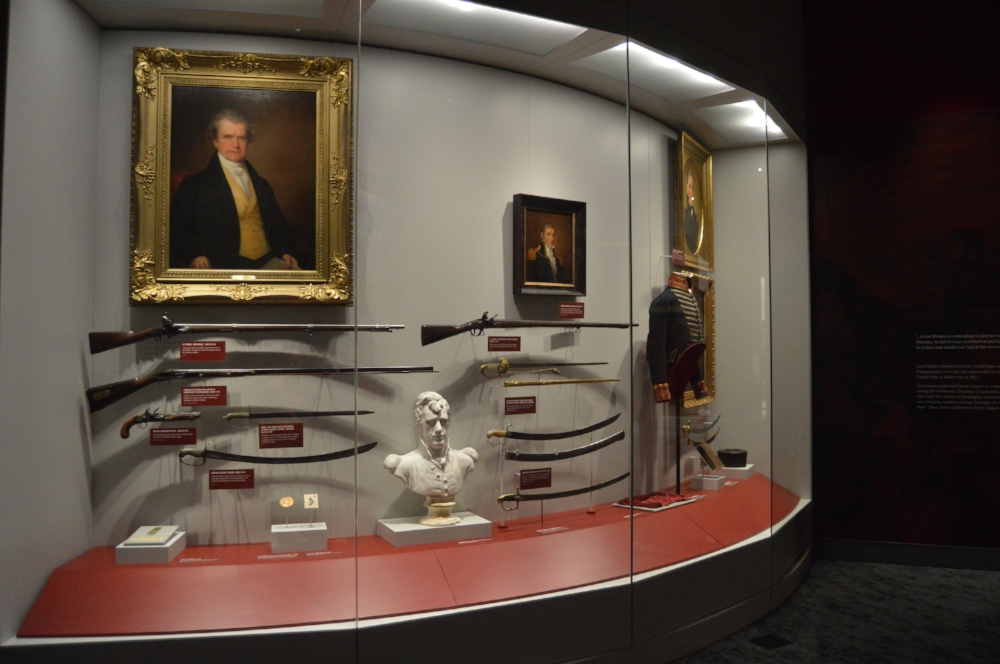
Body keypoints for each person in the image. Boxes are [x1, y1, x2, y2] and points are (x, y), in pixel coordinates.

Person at [170, 109, 299, 270]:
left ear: (248, 142)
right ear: (215, 141)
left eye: (241, 138)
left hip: (268, 264)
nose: (236, 145)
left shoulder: (262, 184)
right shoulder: (195, 185)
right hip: (224, 266)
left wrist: (286, 252)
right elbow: (176, 231)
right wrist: (194, 255)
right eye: (228, 137)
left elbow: (279, 225)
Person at [383, 392, 478, 501]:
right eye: (431, 422)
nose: (438, 429)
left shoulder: (464, 461)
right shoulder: (405, 465)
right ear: (419, 425)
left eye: (443, 422)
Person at [683, 167, 701, 254]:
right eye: (690, 187)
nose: (692, 192)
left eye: (693, 187)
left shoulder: (694, 215)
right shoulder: (684, 214)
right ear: (685, 189)